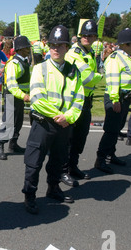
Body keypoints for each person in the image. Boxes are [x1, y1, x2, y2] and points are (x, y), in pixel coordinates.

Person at [22, 25, 85, 214]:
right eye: (52, 45)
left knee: (58, 160)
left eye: (60, 45)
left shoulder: (74, 71)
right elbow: (37, 99)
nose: (56, 49)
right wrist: (59, 116)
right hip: (44, 123)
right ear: (48, 47)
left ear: (67, 48)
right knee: (34, 162)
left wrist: (69, 116)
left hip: (64, 123)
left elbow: (79, 98)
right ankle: (30, 195)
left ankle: (53, 188)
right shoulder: (40, 69)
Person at [94, 28, 131, 174]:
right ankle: (100, 159)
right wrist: (115, 100)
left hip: (124, 98)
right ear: (125, 44)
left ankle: (110, 154)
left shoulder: (127, 57)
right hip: (116, 97)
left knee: (116, 129)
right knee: (111, 130)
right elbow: (113, 80)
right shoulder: (115, 58)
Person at [62, 20, 103, 185]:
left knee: (81, 137)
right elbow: (88, 78)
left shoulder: (90, 52)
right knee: (69, 138)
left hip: (87, 100)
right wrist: (99, 76)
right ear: (80, 36)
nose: (87, 37)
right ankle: (63, 171)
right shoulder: (74, 53)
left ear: (95, 37)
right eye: (84, 35)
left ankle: (73, 166)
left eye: (91, 35)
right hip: (74, 100)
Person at [0, 36, 32, 160]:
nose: (29, 49)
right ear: (21, 49)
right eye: (27, 47)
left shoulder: (24, 61)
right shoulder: (14, 64)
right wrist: (24, 95)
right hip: (12, 96)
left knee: (18, 121)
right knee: (8, 122)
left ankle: (13, 144)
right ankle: (0, 146)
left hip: (20, 97)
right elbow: (12, 86)